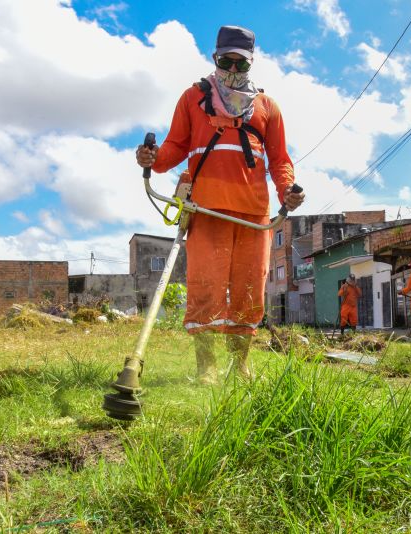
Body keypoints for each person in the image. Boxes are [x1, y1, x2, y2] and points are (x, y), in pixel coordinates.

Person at [136, 25, 305, 384]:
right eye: (224, 60)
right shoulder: (193, 99)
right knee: (205, 288)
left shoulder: (266, 107)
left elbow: (279, 159)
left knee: (248, 290)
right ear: (214, 58)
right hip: (206, 210)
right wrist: (152, 159)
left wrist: (288, 189)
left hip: (253, 215)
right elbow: (174, 148)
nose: (231, 68)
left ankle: (240, 364)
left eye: (239, 63)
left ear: (250, 63)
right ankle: (206, 367)